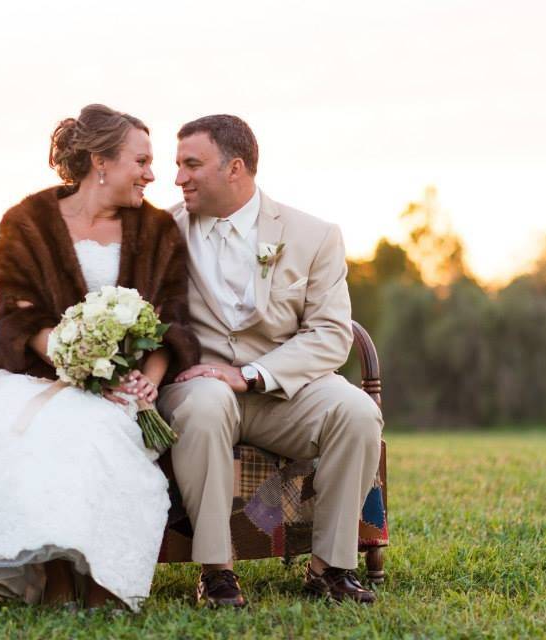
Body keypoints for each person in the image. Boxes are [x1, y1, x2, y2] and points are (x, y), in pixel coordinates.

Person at [0, 104, 200, 611]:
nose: (152, 173)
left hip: (121, 387)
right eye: (140, 161)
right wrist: (68, 352)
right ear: (101, 161)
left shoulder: (159, 231)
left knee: (93, 432)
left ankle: (103, 579)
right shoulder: (27, 222)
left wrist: (148, 379)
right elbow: (17, 315)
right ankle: (53, 579)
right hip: (35, 378)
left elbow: (173, 321)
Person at [158, 115, 383, 607]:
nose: (179, 178)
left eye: (192, 164)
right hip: (199, 386)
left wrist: (252, 375)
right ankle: (217, 572)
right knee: (206, 403)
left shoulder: (313, 235)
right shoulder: (162, 232)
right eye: (178, 165)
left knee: (357, 411)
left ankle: (330, 567)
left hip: (282, 388)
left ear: (235, 167)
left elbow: (329, 334)